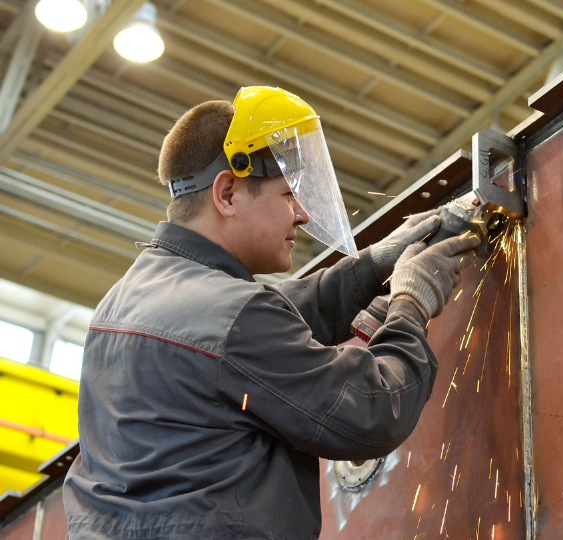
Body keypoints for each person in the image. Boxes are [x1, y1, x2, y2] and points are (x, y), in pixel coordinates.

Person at [62, 86, 478, 539]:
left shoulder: (126, 300)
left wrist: (373, 264)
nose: (300, 214)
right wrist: (410, 304)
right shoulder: (233, 318)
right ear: (227, 193)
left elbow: (261, 324)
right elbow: (372, 411)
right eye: (287, 195)